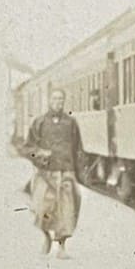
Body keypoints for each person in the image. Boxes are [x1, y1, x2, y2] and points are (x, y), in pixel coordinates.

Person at [21, 88, 82, 258]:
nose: (58, 102)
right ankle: (46, 237)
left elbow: (78, 148)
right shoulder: (39, 122)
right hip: (45, 174)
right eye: (55, 99)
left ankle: (62, 247)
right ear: (49, 101)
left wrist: (78, 172)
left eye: (61, 99)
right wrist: (39, 153)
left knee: (66, 211)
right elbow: (27, 148)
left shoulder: (71, 123)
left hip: (66, 171)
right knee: (42, 209)